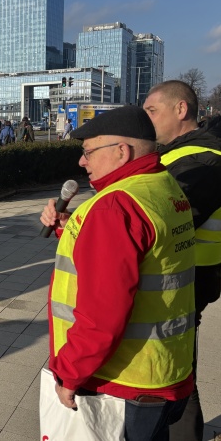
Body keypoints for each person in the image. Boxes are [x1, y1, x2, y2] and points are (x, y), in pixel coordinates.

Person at [39, 105, 196, 440]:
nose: (82, 162)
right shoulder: (161, 186)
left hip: (125, 378)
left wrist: (69, 374)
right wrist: (71, 228)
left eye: (88, 152)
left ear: (121, 152)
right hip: (165, 367)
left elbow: (102, 314)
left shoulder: (114, 207)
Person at [143, 80, 221, 441]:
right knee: (175, 371)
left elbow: (166, 219)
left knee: (176, 375)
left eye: (151, 111)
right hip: (185, 275)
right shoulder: (183, 153)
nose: (146, 119)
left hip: (187, 278)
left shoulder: (202, 160)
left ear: (181, 110)